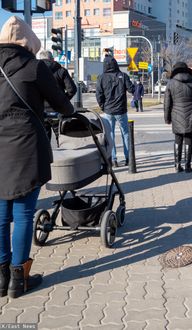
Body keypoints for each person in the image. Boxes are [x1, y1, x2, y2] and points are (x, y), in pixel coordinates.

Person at [0, 16, 74, 298]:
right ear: (28, 42)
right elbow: (64, 106)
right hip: (26, 147)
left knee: (0, 215)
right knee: (23, 214)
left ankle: (1, 276)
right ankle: (19, 280)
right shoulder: (34, 66)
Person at [96, 56, 135, 167]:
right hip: (121, 110)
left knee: (110, 134)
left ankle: (113, 160)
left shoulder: (101, 78)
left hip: (108, 110)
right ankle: (128, 158)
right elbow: (131, 89)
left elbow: (98, 95)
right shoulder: (123, 76)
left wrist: (103, 106)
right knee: (126, 134)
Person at [164, 62, 192, 172]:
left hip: (176, 115)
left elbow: (167, 104)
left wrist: (167, 118)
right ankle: (188, 165)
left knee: (177, 139)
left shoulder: (171, 83)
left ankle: (177, 165)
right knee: (189, 139)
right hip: (190, 115)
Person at [37, 50, 77, 143]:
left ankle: (47, 157)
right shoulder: (61, 70)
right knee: (62, 139)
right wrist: (62, 100)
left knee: (44, 141)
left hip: (41, 111)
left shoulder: (36, 71)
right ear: (52, 59)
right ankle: (64, 157)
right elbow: (72, 89)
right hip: (58, 110)